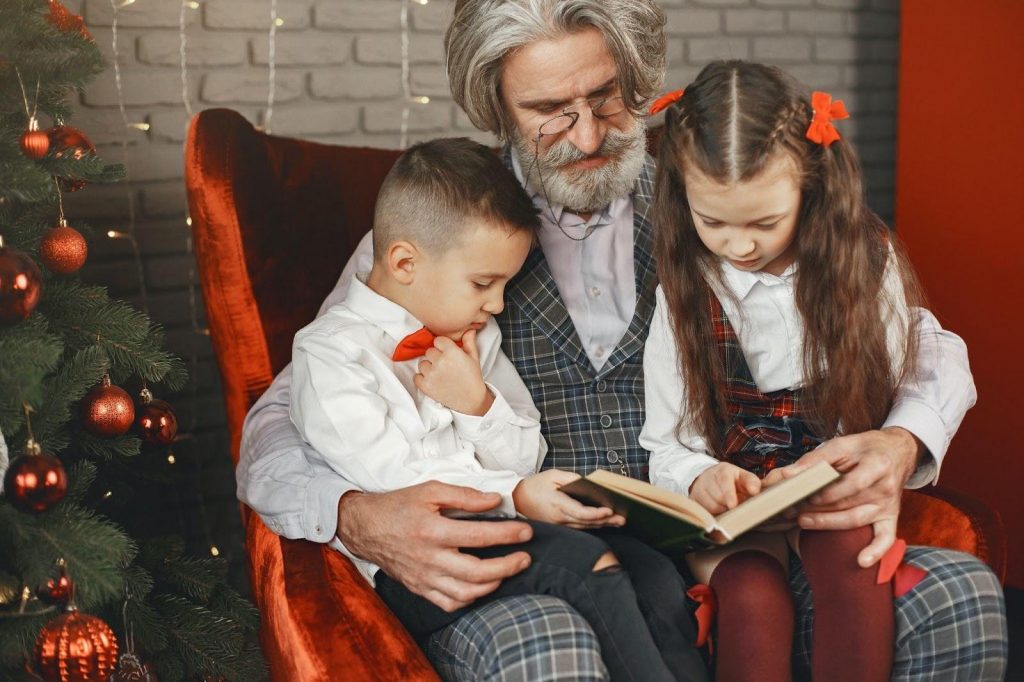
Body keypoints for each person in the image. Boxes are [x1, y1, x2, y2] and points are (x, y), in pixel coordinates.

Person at [237, 1, 1008, 679]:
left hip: (733, 541)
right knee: (547, 640)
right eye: (548, 108)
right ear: (497, 107)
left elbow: (913, 332)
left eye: (605, 96)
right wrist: (351, 513)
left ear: (638, 80)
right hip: (545, 564)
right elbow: (276, 417)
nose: (588, 134)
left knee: (961, 596)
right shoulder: (441, 232)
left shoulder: (714, 192)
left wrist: (904, 439)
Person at [288, 136, 701, 682]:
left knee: (652, 571)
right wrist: (514, 497)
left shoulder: (474, 335)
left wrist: (477, 403)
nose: (498, 303)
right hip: (426, 567)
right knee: (586, 566)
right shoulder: (331, 353)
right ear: (405, 262)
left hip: (502, 524)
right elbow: (400, 483)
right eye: (484, 283)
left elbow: (527, 450)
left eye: (504, 283)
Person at [641, 60, 967, 681]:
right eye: (713, 222)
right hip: (739, 515)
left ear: (810, 187)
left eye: (764, 223)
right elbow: (666, 443)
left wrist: (886, 449)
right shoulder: (683, 289)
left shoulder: (863, 263)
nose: (738, 247)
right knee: (754, 596)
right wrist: (702, 475)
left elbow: (916, 372)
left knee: (854, 565)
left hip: (829, 493)